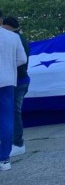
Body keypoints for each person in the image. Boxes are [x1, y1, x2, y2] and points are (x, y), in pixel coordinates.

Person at [0, 9, 27, 172]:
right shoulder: (12, 37)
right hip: (7, 81)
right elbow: (22, 59)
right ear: (1, 20)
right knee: (6, 120)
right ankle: (4, 159)